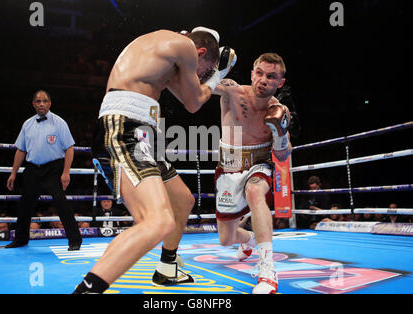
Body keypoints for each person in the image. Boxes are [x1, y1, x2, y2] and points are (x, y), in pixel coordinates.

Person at [73, 27, 236, 294]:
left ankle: (167, 268)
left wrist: (218, 77)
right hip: (124, 127)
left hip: (142, 133)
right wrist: (218, 74)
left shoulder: (165, 52)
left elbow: (190, 97)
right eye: (203, 68)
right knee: (157, 221)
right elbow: (196, 102)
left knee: (182, 200)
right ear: (201, 52)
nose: (200, 75)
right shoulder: (182, 46)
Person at [212, 52, 292, 294]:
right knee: (226, 239)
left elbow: (283, 156)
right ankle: (250, 238)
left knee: (255, 191)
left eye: (271, 76)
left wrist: (280, 135)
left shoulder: (280, 110)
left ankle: (267, 270)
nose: (263, 79)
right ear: (251, 73)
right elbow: (197, 88)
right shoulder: (232, 91)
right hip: (229, 163)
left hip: (260, 160)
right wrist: (212, 69)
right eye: (259, 73)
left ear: (280, 82)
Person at [5, 90, 82, 251]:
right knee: (25, 204)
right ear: (33, 104)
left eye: (44, 101)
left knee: (61, 203)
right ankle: (20, 239)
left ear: (49, 103)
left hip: (53, 169)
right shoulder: (27, 124)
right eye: (38, 101)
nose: (41, 104)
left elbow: (69, 148)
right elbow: (21, 150)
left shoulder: (59, 122)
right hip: (32, 169)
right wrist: (13, 173)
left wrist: (66, 172)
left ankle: (75, 240)